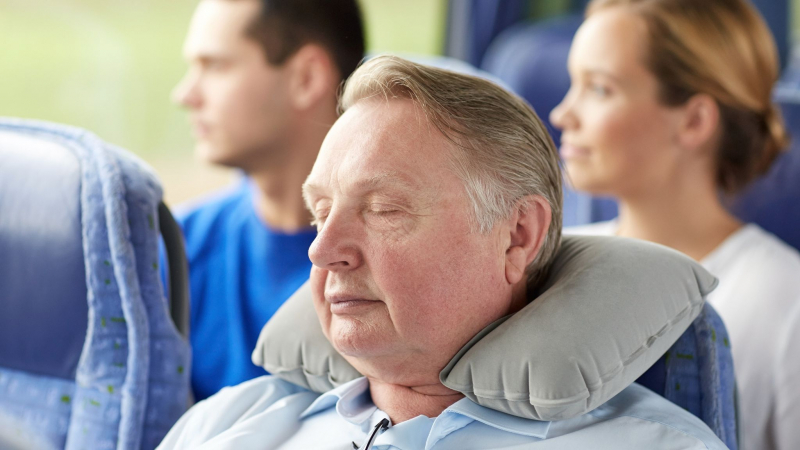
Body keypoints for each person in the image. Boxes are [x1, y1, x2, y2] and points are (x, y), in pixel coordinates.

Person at [157, 55, 726, 449]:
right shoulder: (225, 424)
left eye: (384, 209)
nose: (324, 251)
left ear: (518, 235)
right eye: (322, 211)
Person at [549, 0, 800, 448]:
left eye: (600, 89)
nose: (562, 115)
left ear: (694, 120)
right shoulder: (550, 264)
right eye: (573, 84)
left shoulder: (785, 303)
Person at [170, 0, 364, 401]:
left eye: (216, 66)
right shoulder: (177, 248)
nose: (185, 94)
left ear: (306, 78)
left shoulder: (385, 274)